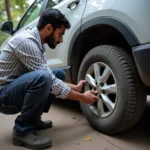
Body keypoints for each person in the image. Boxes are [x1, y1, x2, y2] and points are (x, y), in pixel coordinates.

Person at [0, 8, 98, 149]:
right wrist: (83, 97)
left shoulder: (38, 43)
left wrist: (74, 87)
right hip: (4, 97)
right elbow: (49, 82)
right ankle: (21, 131)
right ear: (48, 28)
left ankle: (33, 120)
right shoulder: (26, 42)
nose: (61, 39)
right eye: (60, 34)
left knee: (57, 73)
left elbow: (52, 78)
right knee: (43, 78)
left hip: (13, 88)